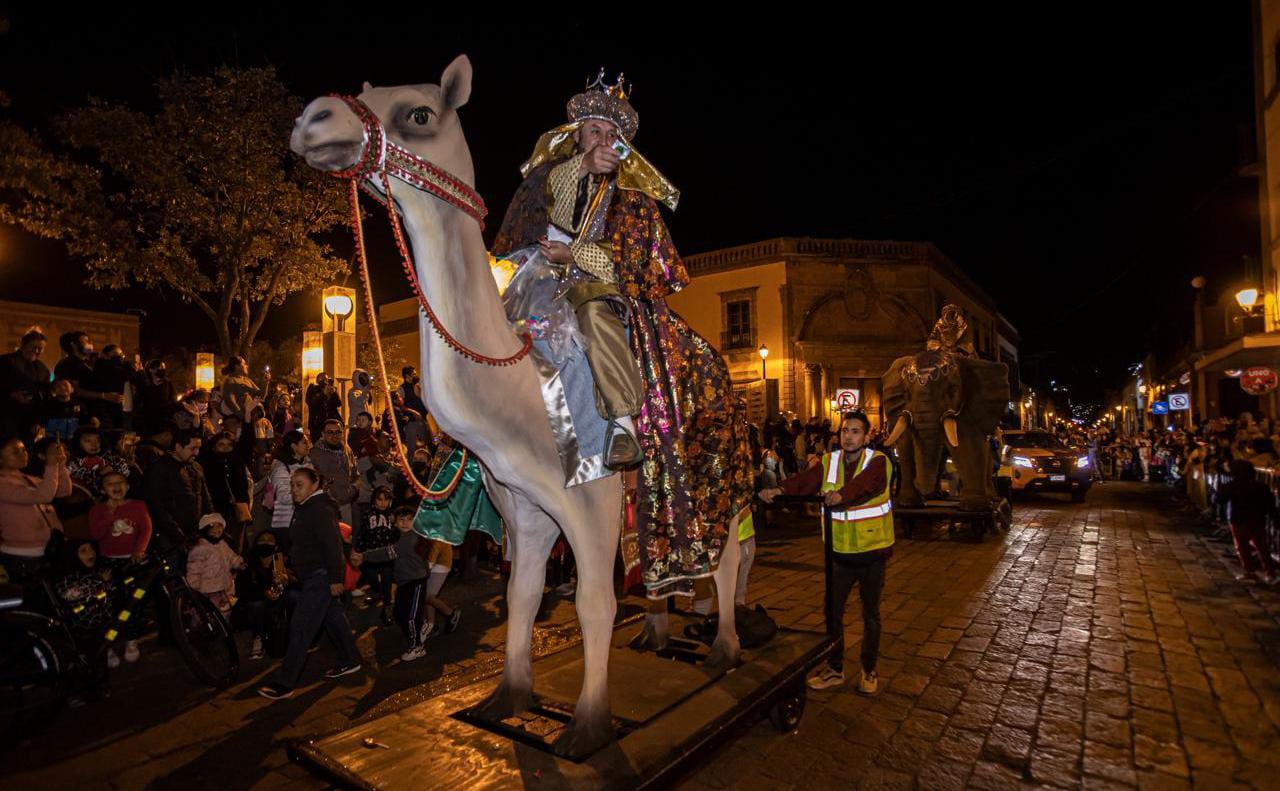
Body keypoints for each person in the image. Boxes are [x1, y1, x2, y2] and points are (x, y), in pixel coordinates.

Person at [494, 70, 754, 595]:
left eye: (610, 136)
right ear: (576, 135)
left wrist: (577, 255)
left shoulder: (634, 202)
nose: (601, 141)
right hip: (537, 287)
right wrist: (579, 173)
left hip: (600, 291)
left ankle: (622, 422)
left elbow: (632, 264)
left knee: (593, 312)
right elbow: (524, 228)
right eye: (592, 131)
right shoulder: (547, 181)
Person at [759, 411, 892, 694]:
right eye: (845, 430)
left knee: (871, 615)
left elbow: (866, 485)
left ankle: (869, 669)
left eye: (856, 431)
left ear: (867, 436)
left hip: (872, 553)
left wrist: (841, 495)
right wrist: (779, 490)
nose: (849, 436)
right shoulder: (829, 462)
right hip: (839, 552)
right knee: (832, 614)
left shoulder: (879, 462)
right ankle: (835, 668)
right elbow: (806, 480)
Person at [257, 468, 362, 699]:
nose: (294, 490)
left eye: (300, 485)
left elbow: (332, 544)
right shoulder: (307, 508)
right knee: (333, 619)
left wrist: (336, 579)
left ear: (315, 484)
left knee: (301, 627)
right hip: (314, 574)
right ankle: (351, 659)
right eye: (292, 485)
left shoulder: (318, 509)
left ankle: (285, 683)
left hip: (321, 575)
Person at [350, 505, 435, 661]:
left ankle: (417, 647)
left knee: (410, 616)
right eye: (401, 520)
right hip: (405, 581)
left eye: (409, 520)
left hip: (416, 580)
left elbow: (388, 552)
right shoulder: (401, 537)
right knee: (399, 614)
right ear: (394, 522)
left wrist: (364, 557)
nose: (405, 523)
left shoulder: (412, 538)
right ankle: (416, 631)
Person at [0, 435, 70, 584]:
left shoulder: (27, 478)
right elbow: (44, 495)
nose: (23, 454)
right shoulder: (2, 483)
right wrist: (51, 465)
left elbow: (63, 491)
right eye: (15, 452)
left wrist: (59, 464)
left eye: (23, 449)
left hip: (48, 549)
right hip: (22, 555)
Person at [141, 429, 214, 561]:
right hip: (169, 538)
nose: (196, 453)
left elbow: (204, 497)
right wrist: (178, 536)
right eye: (192, 449)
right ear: (178, 447)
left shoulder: (196, 467)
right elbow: (157, 506)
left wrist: (211, 522)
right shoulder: (158, 469)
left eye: (198, 448)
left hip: (194, 532)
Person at [1218, 459, 1280, 584]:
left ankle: (1250, 571)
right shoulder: (1262, 487)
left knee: (1242, 546)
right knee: (1262, 546)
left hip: (1238, 519)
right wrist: (1275, 518)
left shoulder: (1232, 486)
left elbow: (1220, 500)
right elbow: (1270, 505)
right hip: (1258, 519)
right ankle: (1270, 573)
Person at [235, 530, 289, 660]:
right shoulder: (250, 562)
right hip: (257, 601)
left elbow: (281, 584)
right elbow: (243, 588)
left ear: (276, 545)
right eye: (262, 539)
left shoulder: (279, 560)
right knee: (256, 606)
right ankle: (257, 638)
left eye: (269, 540)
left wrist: (282, 580)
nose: (265, 542)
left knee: (293, 597)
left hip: (276, 600)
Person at [88, 470, 152, 573]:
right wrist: (109, 514)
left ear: (127, 486)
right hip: (109, 559)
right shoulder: (97, 510)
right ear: (103, 490)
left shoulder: (138, 505)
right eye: (110, 484)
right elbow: (96, 534)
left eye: (120, 482)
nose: (116, 485)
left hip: (134, 556)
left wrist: (139, 550)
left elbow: (146, 529)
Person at [351, 485, 397, 623]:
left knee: (387, 581)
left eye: (386, 500)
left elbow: (399, 533)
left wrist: (395, 524)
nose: (383, 503)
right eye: (380, 499)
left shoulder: (393, 514)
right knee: (371, 578)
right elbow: (361, 532)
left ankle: (387, 608)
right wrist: (357, 549)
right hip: (369, 553)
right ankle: (380, 593)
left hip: (386, 555)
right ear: (374, 500)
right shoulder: (367, 513)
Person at [201, 431, 253, 549]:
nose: (225, 448)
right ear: (214, 446)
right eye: (221, 444)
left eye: (229, 445)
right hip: (216, 510)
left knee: (235, 543)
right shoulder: (208, 463)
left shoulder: (238, 462)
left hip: (236, 510)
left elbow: (243, 486)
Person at [186, 513, 245, 615]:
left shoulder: (222, 544)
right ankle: (209, 628)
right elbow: (194, 569)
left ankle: (224, 628)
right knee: (211, 613)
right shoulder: (200, 548)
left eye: (220, 527)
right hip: (209, 590)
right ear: (205, 530)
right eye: (213, 527)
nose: (217, 530)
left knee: (225, 611)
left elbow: (231, 557)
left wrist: (238, 563)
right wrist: (193, 587)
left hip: (224, 587)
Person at [0, 329, 52, 441]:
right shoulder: (5, 361)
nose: (36, 351)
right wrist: (12, 394)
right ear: (23, 345)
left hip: (30, 420)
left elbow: (46, 395)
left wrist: (39, 421)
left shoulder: (42, 369)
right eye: (33, 346)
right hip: (6, 415)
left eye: (40, 348)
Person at [268, 430, 312, 549]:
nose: (308, 445)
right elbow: (283, 495)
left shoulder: (308, 463)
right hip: (286, 521)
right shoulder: (281, 467)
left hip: (305, 521)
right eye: (304, 443)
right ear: (294, 446)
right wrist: (311, 495)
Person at [219, 355, 265, 421]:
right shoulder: (230, 381)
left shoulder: (247, 380)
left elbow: (261, 396)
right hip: (238, 419)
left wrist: (266, 383)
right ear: (237, 366)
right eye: (244, 364)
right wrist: (243, 416)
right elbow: (230, 400)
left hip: (249, 417)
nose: (246, 366)